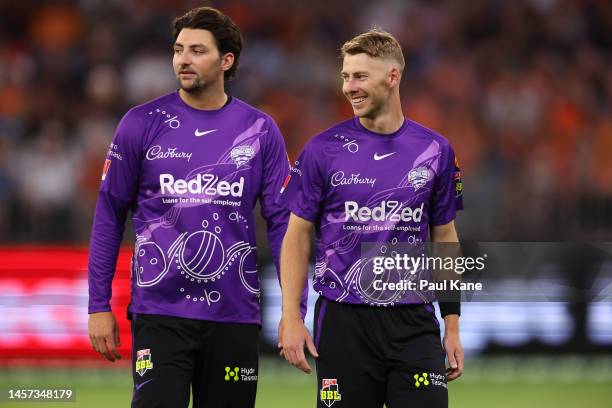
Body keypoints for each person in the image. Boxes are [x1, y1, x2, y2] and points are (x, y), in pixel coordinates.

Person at [87, 7, 292, 408]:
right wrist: (98, 305)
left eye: (197, 50)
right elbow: (109, 215)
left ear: (226, 60)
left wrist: (292, 309)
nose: (183, 59)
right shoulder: (140, 123)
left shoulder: (260, 130)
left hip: (235, 314)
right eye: (179, 49)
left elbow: (284, 222)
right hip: (160, 312)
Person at [278, 28, 464, 407]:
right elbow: (296, 235)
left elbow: (444, 237)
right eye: (345, 76)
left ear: (392, 77)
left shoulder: (436, 151)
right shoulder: (321, 150)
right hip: (343, 322)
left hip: (413, 321)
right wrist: (290, 317)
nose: (349, 87)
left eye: (360, 76)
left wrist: (453, 323)